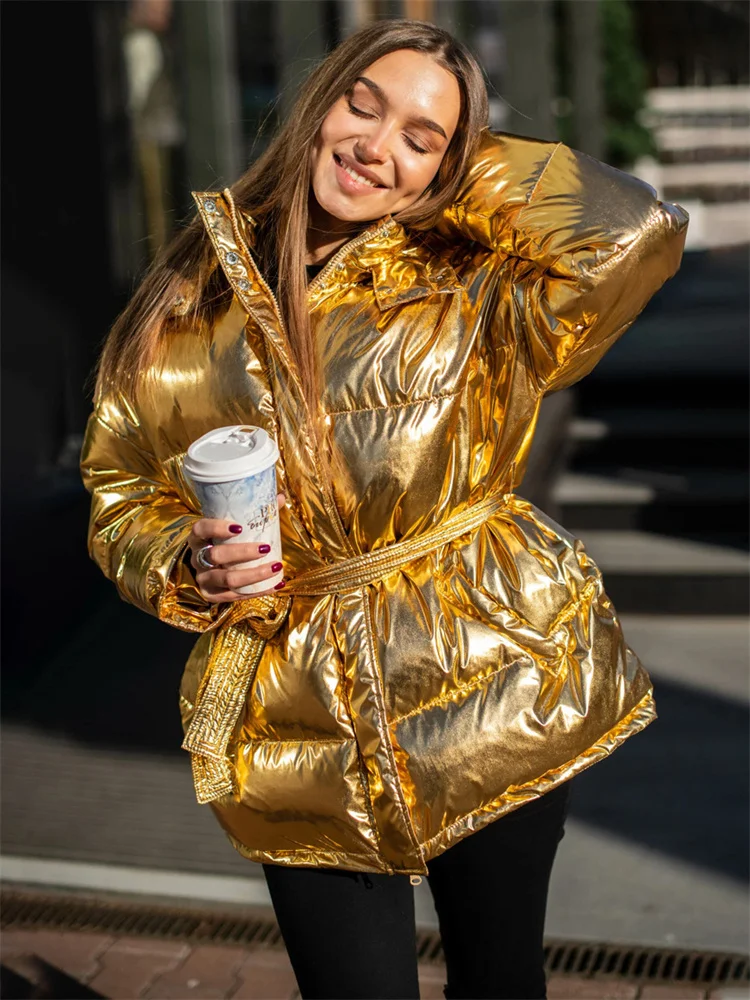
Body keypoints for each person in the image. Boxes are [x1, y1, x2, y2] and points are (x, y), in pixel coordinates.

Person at [81, 19, 688, 1000]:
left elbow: (631, 230)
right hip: (298, 708)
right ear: (318, 104)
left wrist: (462, 166)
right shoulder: (187, 296)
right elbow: (120, 492)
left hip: (491, 675)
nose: (374, 145)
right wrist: (181, 561)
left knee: (499, 980)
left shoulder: (475, 282)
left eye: (421, 136)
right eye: (361, 107)